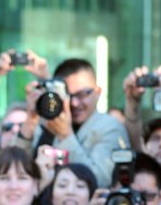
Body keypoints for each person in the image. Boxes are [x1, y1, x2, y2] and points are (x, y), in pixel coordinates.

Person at [11, 57, 129, 186]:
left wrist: (65, 136)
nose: (74, 103)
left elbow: (99, 180)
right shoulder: (45, 124)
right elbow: (11, 171)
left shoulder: (110, 127)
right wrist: (30, 121)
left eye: (83, 94)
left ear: (98, 92)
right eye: (67, 95)